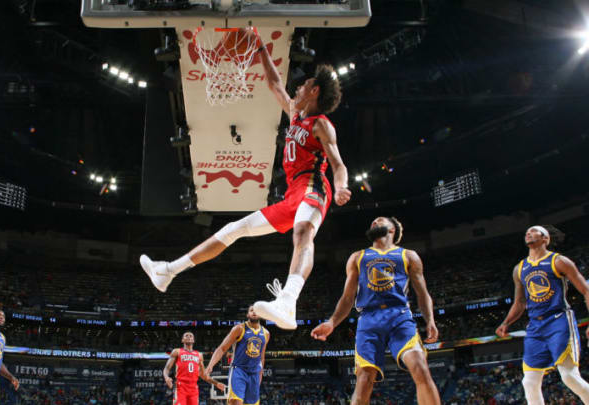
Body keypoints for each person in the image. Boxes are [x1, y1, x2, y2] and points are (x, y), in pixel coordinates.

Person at [140, 36, 351, 330]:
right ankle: (169, 271)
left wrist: (341, 187)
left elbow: (338, 165)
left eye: (304, 85)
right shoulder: (294, 115)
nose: (298, 87)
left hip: (314, 188)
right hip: (292, 195)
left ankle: (288, 303)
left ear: (314, 91)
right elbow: (275, 83)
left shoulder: (321, 124)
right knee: (233, 229)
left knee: (303, 233)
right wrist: (261, 48)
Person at [311, 217, 440, 405]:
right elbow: (348, 298)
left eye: (379, 221)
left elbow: (423, 294)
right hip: (368, 319)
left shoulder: (408, 256)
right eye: (372, 222)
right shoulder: (358, 257)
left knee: (420, 367)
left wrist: (430, 321)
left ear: (392, 230)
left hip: (399, 316)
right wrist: (332, 322)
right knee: (363, 380)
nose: (373, 223)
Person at [496, 225, 589, 405]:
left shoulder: (559, 261)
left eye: (533, 231)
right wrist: (506, 323)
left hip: (559, 320)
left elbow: (585, 290)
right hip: (535, 326)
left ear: (545, 238)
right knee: (529, 382)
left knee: (569, 376)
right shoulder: (520, 268)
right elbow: (520, 302)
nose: (528, 234)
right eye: (526, 233)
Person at [205, 306, 269, 405]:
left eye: (257, 311)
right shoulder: (239, 328)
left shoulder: (266, 333)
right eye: (251, 310)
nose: (254, 312)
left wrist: (260, 374)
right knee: (236, 402)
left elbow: (262, 357)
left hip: (254, 373)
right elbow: (222, 348)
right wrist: (210, 365)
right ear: (248, 315)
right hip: (239, 370)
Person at [163, 331, 225, 405]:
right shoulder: (177, 351)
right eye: (186, 335)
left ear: (193, 340)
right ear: (182, 340)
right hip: (181, 387)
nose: (189, 336)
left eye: (190, 336)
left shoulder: (199, 355)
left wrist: (216, 383)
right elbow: (166, 368)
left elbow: (204, 375)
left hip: (194, 388)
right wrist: (166, 377)